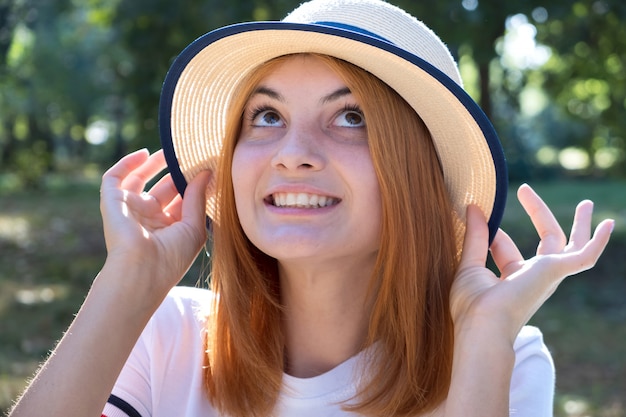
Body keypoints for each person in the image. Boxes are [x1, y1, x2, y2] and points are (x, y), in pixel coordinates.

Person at [9, 0, 614, 416]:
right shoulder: (160, 331)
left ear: (417, 177)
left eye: (350, 118)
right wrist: (127, 284)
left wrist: (484, 338)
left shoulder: (504, 354)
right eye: (266, 116)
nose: (292, 155)